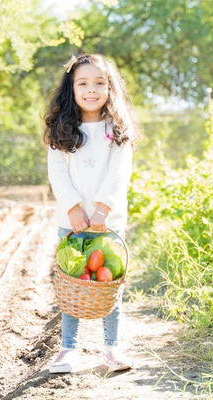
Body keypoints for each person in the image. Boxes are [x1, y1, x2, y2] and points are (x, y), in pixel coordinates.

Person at [44, 53, 139, 374]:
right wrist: (71, 207)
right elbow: (57, 171)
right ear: (71, 89)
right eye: (82, 83)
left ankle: (112, 348)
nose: (91, 90)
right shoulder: (63, 129)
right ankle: (68, 350)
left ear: (110, 88)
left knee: (109, 286)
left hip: (107, 223)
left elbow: (119, 172)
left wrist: (103, 209)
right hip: (71, 224)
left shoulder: (117, 130)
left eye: (100, 83)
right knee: (72, 284)